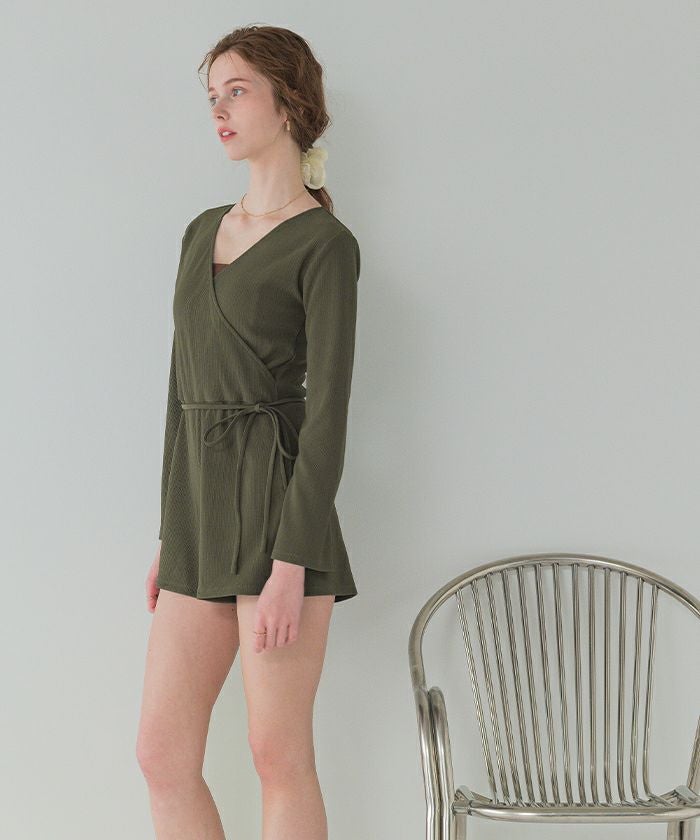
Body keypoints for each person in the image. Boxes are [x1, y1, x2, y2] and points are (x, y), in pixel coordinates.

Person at [136, 24, 361, 840]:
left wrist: (291, 562)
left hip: (278, 515)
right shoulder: (202, 230)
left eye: (237, 91)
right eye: (212, 97)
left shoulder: (325, 245)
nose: (219, 111)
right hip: (199, 517)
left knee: (277, 754)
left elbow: (328, 414)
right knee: (162, 755)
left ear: (288, 102)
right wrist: (171, 531)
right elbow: (182, 390)